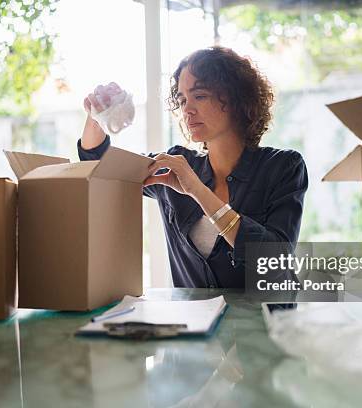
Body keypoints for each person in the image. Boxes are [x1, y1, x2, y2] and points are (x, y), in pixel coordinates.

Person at [78, 46, 308, 288]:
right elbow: (100, 166)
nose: (187, 109)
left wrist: (197, 190)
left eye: (199, 96)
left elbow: (275, 261)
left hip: (264, 322)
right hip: (195, 324)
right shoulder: (175, 164)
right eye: (182, 99)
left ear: (236, 98)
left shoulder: (283, 167)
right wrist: (98, 116)